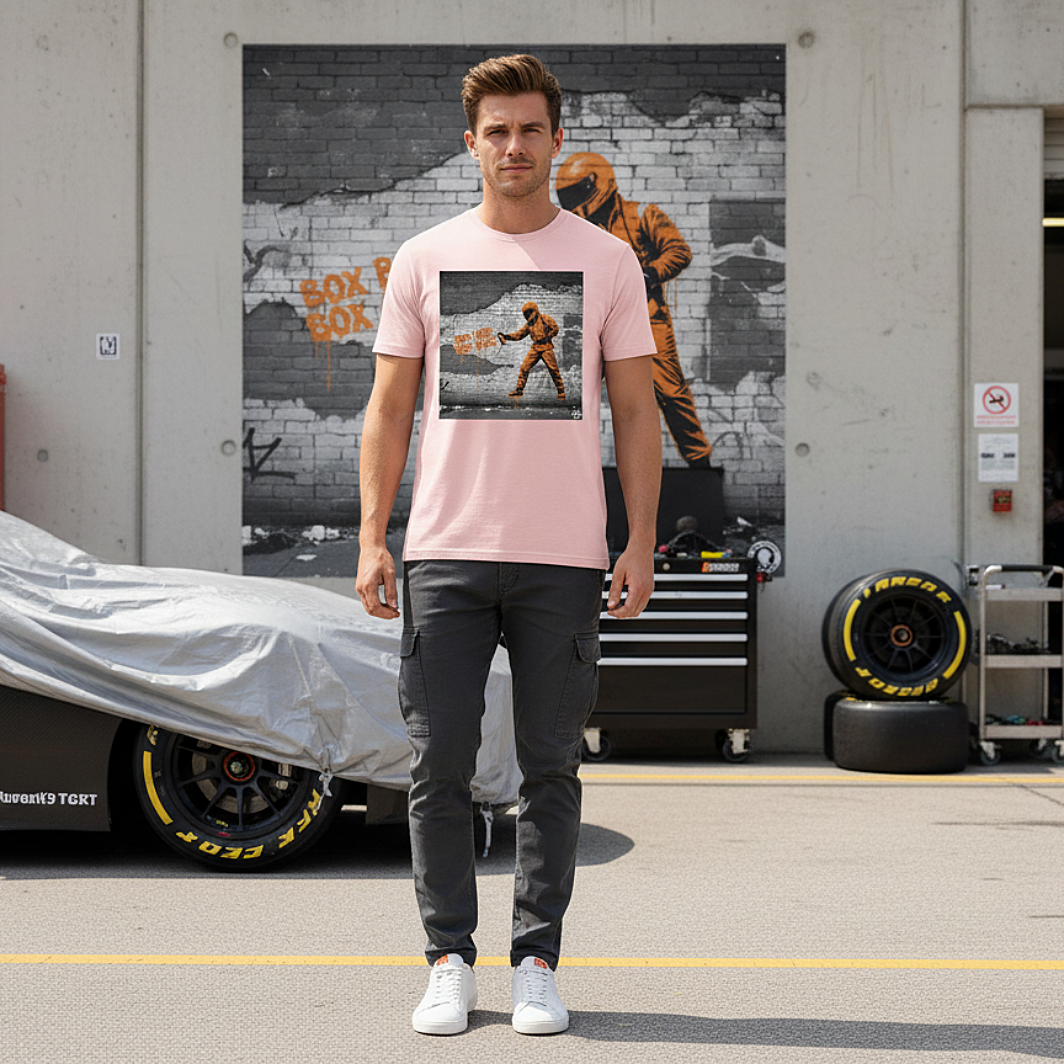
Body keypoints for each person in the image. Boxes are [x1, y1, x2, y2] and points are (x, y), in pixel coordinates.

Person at [355, 54, 661, 1037]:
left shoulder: (606, 260)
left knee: (548, 768)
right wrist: (373, 538)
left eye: (529, 130)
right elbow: (388, 408)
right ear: (470, 142)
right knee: (436, 763)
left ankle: (535, 959)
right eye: (496, 131)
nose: (514, 147)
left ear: (553, 138)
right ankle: (448, 955)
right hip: (443, 549)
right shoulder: (423, 257)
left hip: (563, 556)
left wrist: (639, 538)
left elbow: (634, 407)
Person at [555, 152, 713, 467]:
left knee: (669, 391)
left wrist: (648, 273)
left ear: (597, 183)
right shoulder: (575, 229)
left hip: (645, 317)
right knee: (565, 391)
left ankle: (700, 467)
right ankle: (562, 467)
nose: (572, 203)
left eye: (577, 194)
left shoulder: (642, 215)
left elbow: (678, 250)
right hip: (591, 319)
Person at [499, 300, 565, 399]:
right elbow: (519, 334)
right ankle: (519, 390)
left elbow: (555, 328)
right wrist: (506, 336)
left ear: (534, 310)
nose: (528, 315)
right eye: (526, 313)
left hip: (546, 346)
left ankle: (561, 391)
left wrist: (548, 336)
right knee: (524, 367)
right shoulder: (529, 325)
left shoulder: (545, 318)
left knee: (553, 369)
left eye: (529, 312)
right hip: (535, 348)